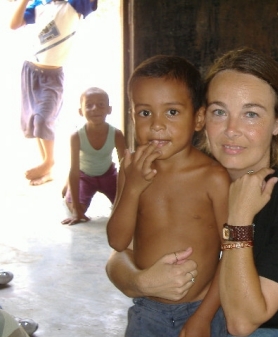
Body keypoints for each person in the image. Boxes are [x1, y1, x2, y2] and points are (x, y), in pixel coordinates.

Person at [105, 47, 278, 337]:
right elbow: (118, 253)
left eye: (251, 114)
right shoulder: (173, 161)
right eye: (220, 112)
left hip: (274, 329)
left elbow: (240, 324)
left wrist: (238, 219)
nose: (231, 129)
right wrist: (141, 283)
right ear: (203, 117)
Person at [106, 55, 230, 336]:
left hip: (202, 309)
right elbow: (117, 241)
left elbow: (235, 251)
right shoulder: (131, 168)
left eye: (171, 112)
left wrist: (204, 315)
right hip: (146, 311)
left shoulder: (213, 178)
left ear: (198, 118)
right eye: (144, 112)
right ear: (131, 116)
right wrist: (133, 187)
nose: (157, 125)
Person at [9, 0, 98, 186]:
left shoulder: (74, 4)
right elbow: (14, 24)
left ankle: (49, 161)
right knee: (34, 120)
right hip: (30, 70)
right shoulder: (40, 4)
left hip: (53, 75)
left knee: (44, 118)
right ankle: (47, 169)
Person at [61, 87, 126, 225]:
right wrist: (76, 210)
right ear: (81, 111)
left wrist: (127, 194)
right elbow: (74, 170)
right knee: (78, 209)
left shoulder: (117, 134)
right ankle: (69, 188)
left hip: (109, 175)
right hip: (84, 176)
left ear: (109, 109)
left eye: (101, 104)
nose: (95, 108)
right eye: (89, 105)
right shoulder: (77, 136)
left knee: (125, 207)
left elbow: (125, 165)